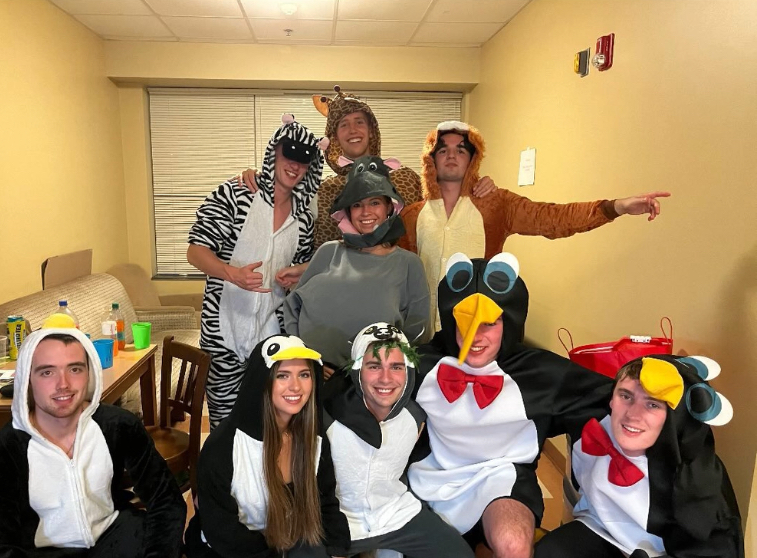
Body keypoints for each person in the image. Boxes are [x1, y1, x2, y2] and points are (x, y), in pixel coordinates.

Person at [407, 252, 615, 558]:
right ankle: (487, 556)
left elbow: (613, 398)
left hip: (501, 477)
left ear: (510, 322)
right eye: (466, 321)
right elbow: (366, 381)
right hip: (438, 478)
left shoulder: (540, 372)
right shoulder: (423, 363)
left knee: (514, 548)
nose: (476, 335)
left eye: (489, 323)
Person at [0, 324, 186, 558]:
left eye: (74, 369)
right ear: (27, 380)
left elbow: (167, 501)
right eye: (47, 372)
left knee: (159, 533)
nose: (63, 384)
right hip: (41, 551)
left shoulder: (118, 425)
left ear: (90, 373)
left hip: (105, 532)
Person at [398, 120, 671, 331]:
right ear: (431, 159)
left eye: (460, 150)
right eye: (443, 150)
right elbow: (397, 275)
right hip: (423, 337)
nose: (451, 155)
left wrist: (616, 207)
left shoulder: (497, 204)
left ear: (472, 158)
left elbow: (552, 218)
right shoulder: (412, 216)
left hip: (479, 334)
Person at [534, 355, 746, 558]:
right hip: (610, 533)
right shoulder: (594, 421)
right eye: (626, 396)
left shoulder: (697, 482)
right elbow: (543, 391)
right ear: (611, 398)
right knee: (551, 557)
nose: (633, 415)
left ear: (674, 415)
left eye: (652, 404)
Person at [184, 335, 351, 558]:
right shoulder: (224, 446)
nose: (295, 386)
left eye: (304, 375)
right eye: (282, 375)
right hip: (224, 543)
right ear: (262, 381)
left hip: (281, 536)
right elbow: (222, 531)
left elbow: (326, 501)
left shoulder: (314, 439)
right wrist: (273, 557)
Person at [323, 322, 477, 558]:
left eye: (396, 367)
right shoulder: (327, 416)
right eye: (374, 366)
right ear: (357, 370)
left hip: (394, 513)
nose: (385, 378)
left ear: (408, 370)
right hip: (338, 520)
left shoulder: (416, 417)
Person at [187, 113, 327, 429]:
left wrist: (296, 273)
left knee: (270, 424)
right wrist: (230, 273)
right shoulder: (235, 194)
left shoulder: (304, 218)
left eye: (304, 160)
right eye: (289, 154)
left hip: (272, 337)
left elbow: (304, 268)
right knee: (224, 425)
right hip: (223, 333)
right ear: (274, 151)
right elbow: (195, 251)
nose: (295, 166)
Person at [238, 87, 495, 253]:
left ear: (371, 130)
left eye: (359, 122)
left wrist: (475, 186)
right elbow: (287, 204)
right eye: (344, 125)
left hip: (403, 285)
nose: (353, 130)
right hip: (345, 293)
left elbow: (443, 207)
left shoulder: (406, 179)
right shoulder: (325, 190)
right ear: (334, 137)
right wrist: (261, 177)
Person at [283, 155, 429, 377]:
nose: (366, 212)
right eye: (357, 205)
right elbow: (293, 306)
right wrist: (305, 358)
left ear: (389, 207)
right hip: (313, 377)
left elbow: (419, 332)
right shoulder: (328, 252)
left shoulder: (409, 264)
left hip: (374, 383)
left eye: (375, 202)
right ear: (348, 212)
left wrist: (382, 372)